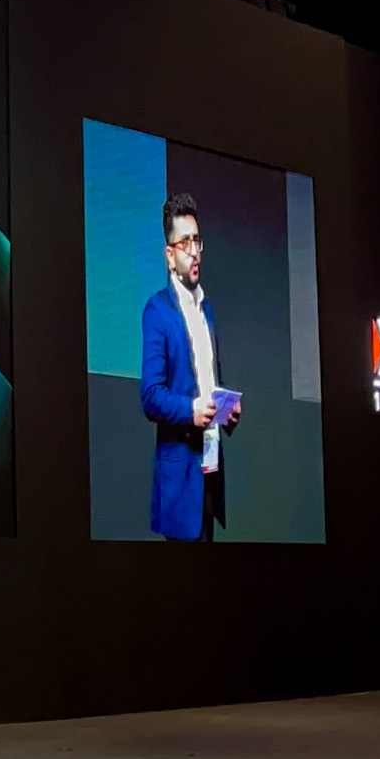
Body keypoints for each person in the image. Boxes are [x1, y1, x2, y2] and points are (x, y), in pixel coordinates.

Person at [140, 192, 241, 542]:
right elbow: (151, 395)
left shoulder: (206, 309)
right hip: (181, 480)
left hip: (211, 469)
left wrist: (226, 410)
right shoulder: (157, 312)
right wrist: (191, 410)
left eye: (197, 240)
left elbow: (209, 381)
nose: (194, 251)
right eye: (185, 243)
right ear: (170, 255)